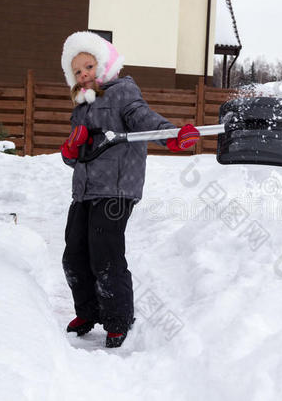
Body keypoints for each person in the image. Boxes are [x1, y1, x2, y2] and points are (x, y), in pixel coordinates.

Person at [59, 31, 199, 348]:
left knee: (105, 254)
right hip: (84, 192)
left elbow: (144, 119)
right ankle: (88, 311)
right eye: (77, 72)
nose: (83, 75)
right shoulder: (80, 107)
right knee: (74, 255)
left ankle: (119, 318)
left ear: (106, 66)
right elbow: (75, 157)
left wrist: (172, 135)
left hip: (117, 189)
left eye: (89, 67)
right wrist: (70, 149)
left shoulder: (123, 93)